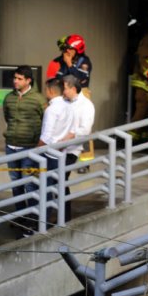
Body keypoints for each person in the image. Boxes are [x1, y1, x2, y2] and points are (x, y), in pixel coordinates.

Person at [3, 65, 46, 234]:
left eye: (19, 78)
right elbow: (7, 117)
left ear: (28, 80)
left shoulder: (38, 99)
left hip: (30, 147)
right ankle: (21, 216)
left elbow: (46, 119)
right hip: (11, 145)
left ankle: (33, 218)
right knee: (15, 184)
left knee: (29, 184)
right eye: (15, 78)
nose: (15, 81)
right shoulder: (9, 98)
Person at [59, 74, 95, 222]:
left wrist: (70, 136)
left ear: (73, 88)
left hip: (72, 149)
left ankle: (64, 217)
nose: (63, 92)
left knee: (61, 180)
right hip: (57, 147)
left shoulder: (86, 105)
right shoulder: (63, 102)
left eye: (65, 89)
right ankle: (60, 215)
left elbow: (85, 130)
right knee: (56, 181)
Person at [37, 77, 72, 225]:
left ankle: (44, 220)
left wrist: (36, 151)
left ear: (51, 91)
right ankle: (61, 217)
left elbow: (45, 136)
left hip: (49, 155)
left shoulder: (51, 110)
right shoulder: (68, 106)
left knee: (46, 188)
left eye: (46, 89)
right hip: (61, 152)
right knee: (59, 187)